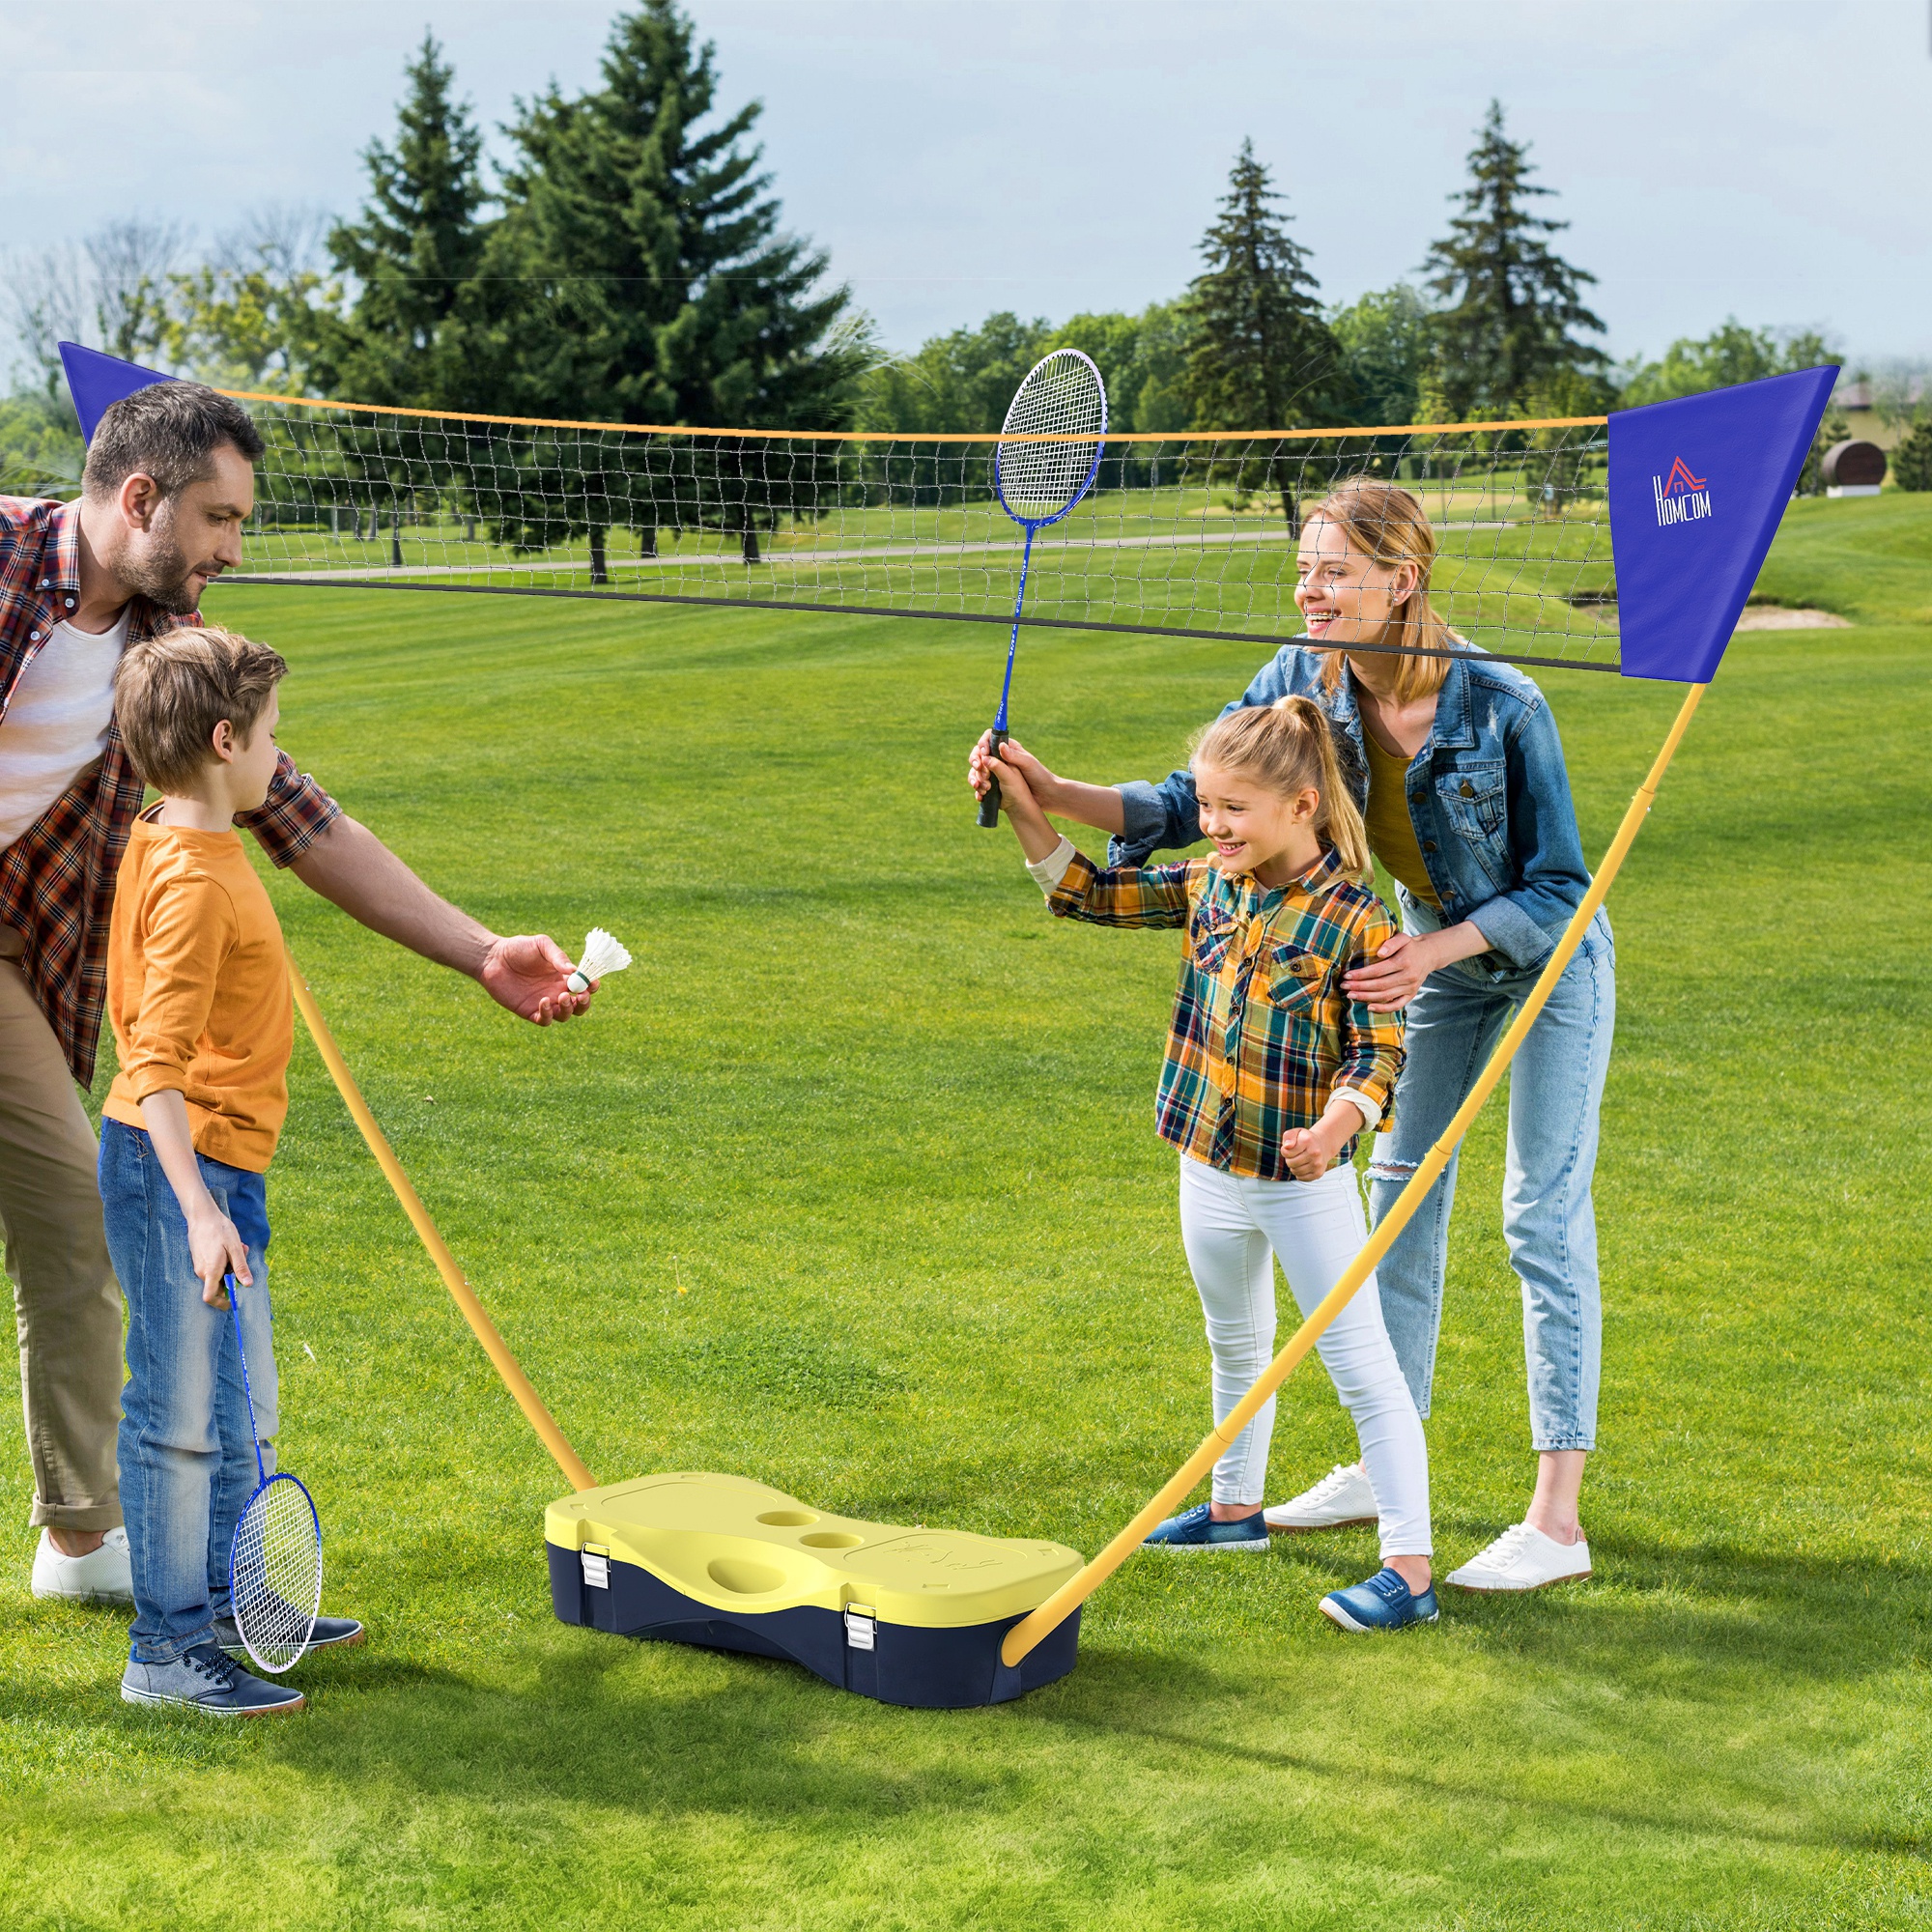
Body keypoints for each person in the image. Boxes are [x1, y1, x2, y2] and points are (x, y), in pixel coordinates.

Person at [1, 381, 594, 1608]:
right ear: (141, 496)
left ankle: (79, 1540)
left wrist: (481, 949)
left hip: (16, 960)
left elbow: (298, 813)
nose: (231, 548)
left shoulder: (167, 655)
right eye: (219, 518)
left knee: (68, 1216)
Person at [971, 476, 1609, 1593]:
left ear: (1399, 580)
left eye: (1332, 573)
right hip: (1411, 951)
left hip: (1538, 961)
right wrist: (1050, 789)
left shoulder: (1502, 702)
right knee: (1395, 1201)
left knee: (1536, 1216)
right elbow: (1198, 798)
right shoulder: (1300, 678)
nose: (1308, 592)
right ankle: (1380, 1460)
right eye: (1303, 570)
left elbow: (1561, 884)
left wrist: (1436, 950)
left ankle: (1554, 1518)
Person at [992, 693, 1436, 1633]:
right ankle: (1235, 1509)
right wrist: (1018, 797)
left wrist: (1336, 1130)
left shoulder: (1352, 922)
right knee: (1233, 1342)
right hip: (1205, 1162)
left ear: (1300, 805)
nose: (1212, 823)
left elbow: (1380, 1052)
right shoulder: (1209, 886)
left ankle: (1408, 1565)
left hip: (1302, 1185)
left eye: (1232, 807)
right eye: (1205, 803)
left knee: (1359, 1365)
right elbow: (1083, 891)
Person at [99, 625, 352, 1713]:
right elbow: (151, 1059)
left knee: (235, 1397)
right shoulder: (194, 875)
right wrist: (200, 1208)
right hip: (180, 1167)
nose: (278, 762)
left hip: (208, 1164)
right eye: (271, 741)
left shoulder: (166, 830)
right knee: (178, 1410)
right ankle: (164, 1650)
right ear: (221, 740)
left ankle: (231, 1597)